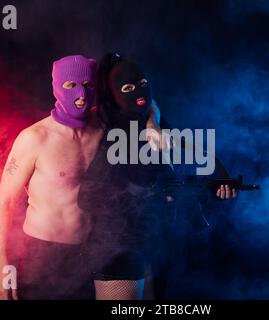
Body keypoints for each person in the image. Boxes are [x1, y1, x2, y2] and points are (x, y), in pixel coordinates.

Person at [0, 55, 160, 300]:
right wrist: (1, 266)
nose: (81, 93)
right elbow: (4, 202)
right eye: (71, 85)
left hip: (95, 250)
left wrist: (152, 124)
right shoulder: (35, 138)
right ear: (57, 87)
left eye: (88, 85)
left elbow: (142, 101)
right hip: (45, 253)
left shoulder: (102, 124)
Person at [77, 53, 236, 300]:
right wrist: (139, 198)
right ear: (115, 95)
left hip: (158, 244)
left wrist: (218, 183)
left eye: (142, 84)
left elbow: (186, 166)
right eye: (128, 88)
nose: (139, 92)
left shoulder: (158, 125)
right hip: (120, 248)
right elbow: (87, 197)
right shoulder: (115, 134)